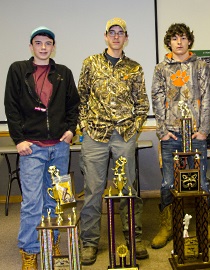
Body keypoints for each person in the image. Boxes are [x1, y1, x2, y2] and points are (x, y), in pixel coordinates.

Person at [4, 26, 80, 269]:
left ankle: (52, 242)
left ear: (53, 46)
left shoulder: (64, 73)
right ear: (31, 46)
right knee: (32, 203)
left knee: (58, 200)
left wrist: (71, 130)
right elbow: (11, 107)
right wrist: (18, 140)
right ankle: (30, 251)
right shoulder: (18, 70)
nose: (44, 47)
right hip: (31, 149)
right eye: (39, 43)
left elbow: (73, 106)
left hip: (59, 148)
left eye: (48, 43)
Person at [78, 17, 149, 265]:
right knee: (93, 190)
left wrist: (134, 128)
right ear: (106, 36)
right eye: (112, 32)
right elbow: (81, 98)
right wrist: (85, 126)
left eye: (121, 33)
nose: (116, 36)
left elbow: (142, 104)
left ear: (126, 38)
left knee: (128, 189)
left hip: (124, 136)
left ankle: (134, 238)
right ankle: (89, 242)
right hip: (95, 136)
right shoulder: (91, 64)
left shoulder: (135, 68)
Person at [151, 23, 210, 248]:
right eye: (174, 38)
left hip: (196, 134)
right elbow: (157, 98)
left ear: (189, 41)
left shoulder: (200, 66)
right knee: (168, 182)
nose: (179, 42)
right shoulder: (161, 68)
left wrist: (204, 130)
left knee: (200, 181)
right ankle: (168, 225)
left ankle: (204, 224)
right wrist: (162, 131)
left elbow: (207, 97)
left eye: (183, 37)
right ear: (168, 43)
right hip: (172, 135)